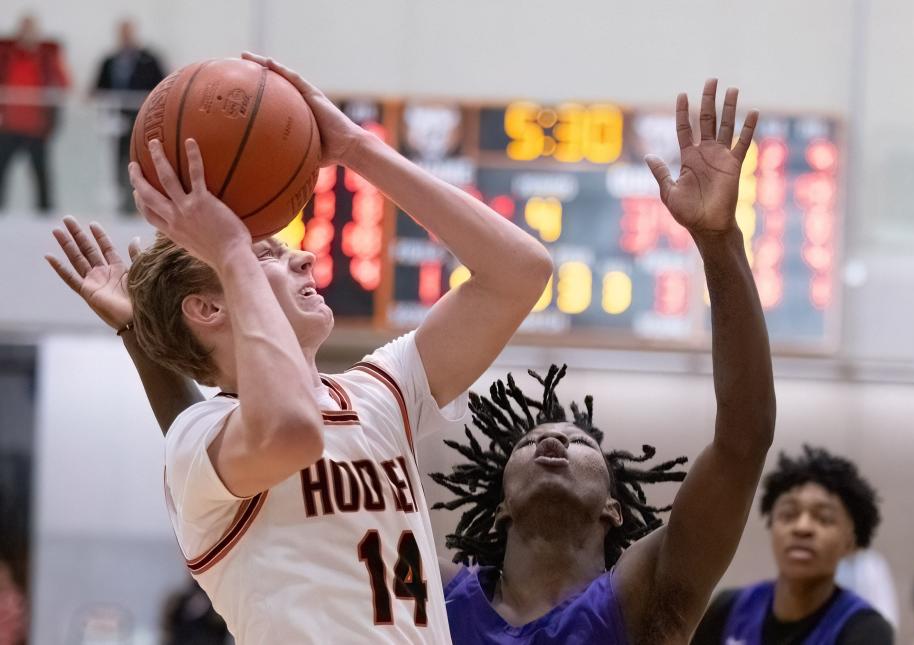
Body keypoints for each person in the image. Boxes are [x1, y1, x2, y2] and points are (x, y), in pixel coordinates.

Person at [44, 51, 553, 643]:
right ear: (209, 308)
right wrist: (233, 249)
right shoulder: (197, 441)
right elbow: (290, 430)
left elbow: (519, 273)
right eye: (270, 256)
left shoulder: (380, 391)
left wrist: (359, 149)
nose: (306, 256)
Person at [431, 79, 777, 644]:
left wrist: (719, 242)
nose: (551, 443)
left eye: (579, 443)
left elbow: (745, 438)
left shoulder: (645, 599)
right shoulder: (430, 595)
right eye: (529, 444)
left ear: (613, 509)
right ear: (501, 510)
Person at [691, 445, 894, 645]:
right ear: (772, 525)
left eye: (824, 518)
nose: (802, 528)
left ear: (851, 542)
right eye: (788, 515)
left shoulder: (866, 630)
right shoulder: (728, 609)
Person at [92, 19, 165, 214]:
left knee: (139, 165)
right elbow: (96, 89)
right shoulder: (109, 61)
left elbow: (163, 87)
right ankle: (120, 208)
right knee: (116, 166)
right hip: (114, 125)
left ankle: (138, 209)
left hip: (141, 124)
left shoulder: (149, 60)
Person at [0, 14, 70, 212]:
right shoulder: (6, 56)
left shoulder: (47, 58)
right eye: (23, 30)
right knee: (1, 171)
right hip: (9, 126)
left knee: (41, 174)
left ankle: (45, 214)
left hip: (36, 128)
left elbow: (64, 83)